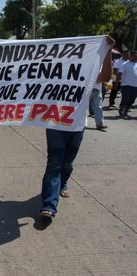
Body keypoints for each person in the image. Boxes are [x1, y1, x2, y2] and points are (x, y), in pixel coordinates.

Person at [40, 36, 115, 220]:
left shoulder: (87, 74)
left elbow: (105, 77)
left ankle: (63, 182)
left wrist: (107, 52)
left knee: (68, 162)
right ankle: (49, 205)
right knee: (54, 162)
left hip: (77, 125)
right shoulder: (52, 73)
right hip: (55, 124)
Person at [118, 51, 137, 119]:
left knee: (132, 100)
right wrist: (117, 83)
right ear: (130, 56)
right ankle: (122, 111)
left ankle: (126, 112)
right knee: (126, 98)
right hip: (126, 84)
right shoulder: (125, 64)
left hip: (135, 86)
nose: (135, 57)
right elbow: (120, 74)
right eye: (134, 55)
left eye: (136, 55)